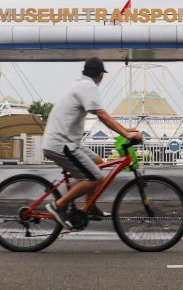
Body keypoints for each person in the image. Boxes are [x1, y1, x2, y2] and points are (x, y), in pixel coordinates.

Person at [42, 57, 143, 230]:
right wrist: (126, 134)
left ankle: (90, 206)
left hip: (68, 142)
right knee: (96, 177)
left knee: (99, 164)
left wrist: (126, 129)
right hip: (62, 144)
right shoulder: (88, 87)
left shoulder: (81, 85)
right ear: (100, 75)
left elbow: (103, 115)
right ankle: (58, 205)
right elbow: (102, 115)